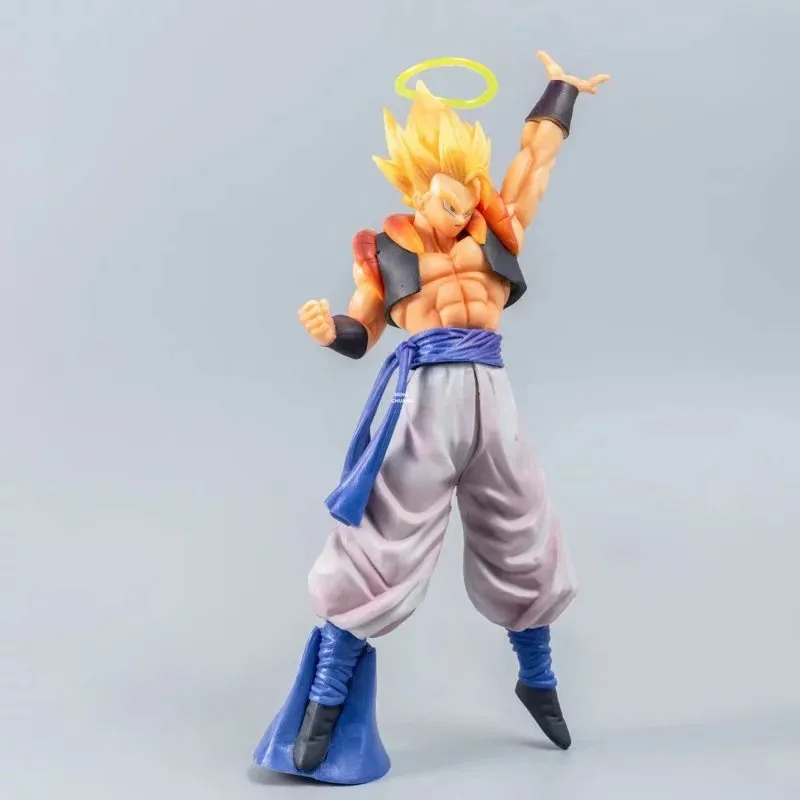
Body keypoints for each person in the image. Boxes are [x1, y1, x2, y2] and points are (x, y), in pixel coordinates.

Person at [255, 51, 610, 785]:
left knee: (523, 525)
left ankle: (538, 675)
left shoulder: (494, 229)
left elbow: (534, 163)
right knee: (384, 538)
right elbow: (362, 331)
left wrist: (561, 91)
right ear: (418, 189)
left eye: (470, 192)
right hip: (423, 402)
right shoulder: (382, 252)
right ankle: (326, 694)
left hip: (492, 394)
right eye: (451, 197)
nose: (465, 207)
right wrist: (329, 331)